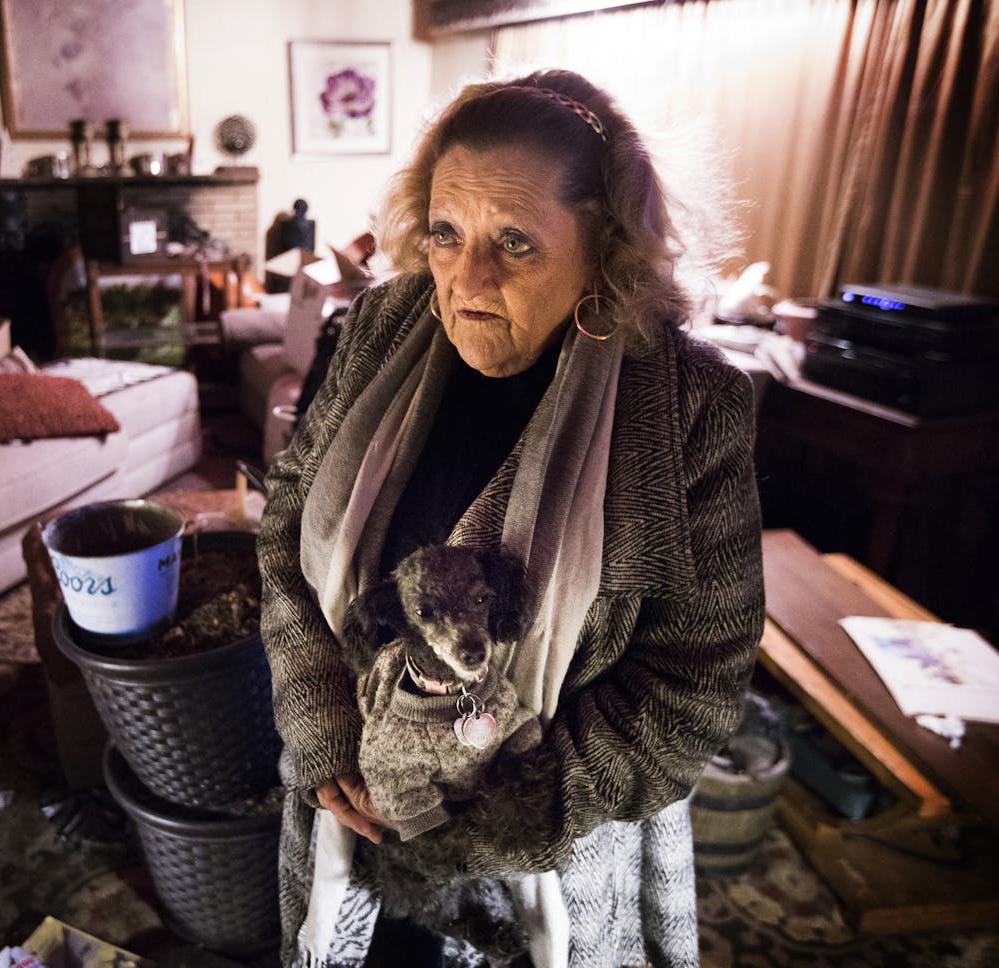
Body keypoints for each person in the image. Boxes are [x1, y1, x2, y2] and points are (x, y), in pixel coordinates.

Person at [257, 67, 766, 968]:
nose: (467, 278)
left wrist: (486, 816)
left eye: (516, 243)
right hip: (349, 821)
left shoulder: (688, 408)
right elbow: (286, 534)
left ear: (605, 246)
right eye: (447, 234)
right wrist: (321, 718)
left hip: (545, 865)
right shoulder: (381, 330)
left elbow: (694, 685)